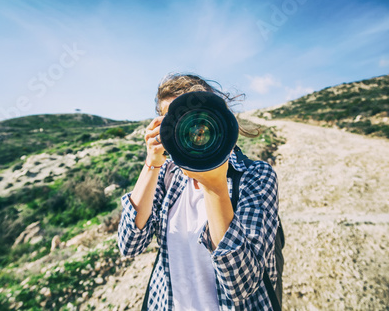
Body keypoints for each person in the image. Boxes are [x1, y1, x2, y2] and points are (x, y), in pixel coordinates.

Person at [118, 73, 280, 310]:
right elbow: (129, 245)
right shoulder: (166, 175)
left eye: (197, 119)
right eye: (176, 121)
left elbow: (240, 285)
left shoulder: (255, 175)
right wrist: (152, 163)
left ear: (218, 119)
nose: (193, 131)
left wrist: (215, 187)